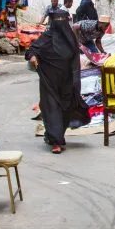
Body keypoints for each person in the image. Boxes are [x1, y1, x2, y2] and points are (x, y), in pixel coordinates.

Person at [25, 12, 89, 154]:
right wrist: (33, 57)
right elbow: (32, 49)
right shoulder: (47, 36)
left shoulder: (70, 38)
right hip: (49, 80)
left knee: (65, 109)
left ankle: (56, 136)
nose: (60, 23)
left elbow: (75, 58)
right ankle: (56, 142)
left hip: (67, 81)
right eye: (57, 20)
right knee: (51, 108)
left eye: (62, 20)